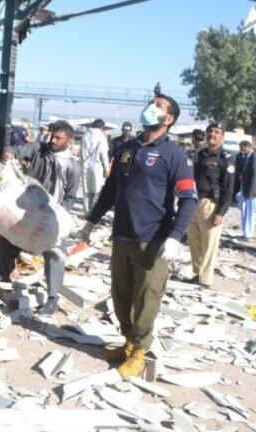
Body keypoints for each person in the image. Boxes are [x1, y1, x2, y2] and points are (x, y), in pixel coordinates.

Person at [78, 94, 197, 378]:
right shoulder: (127, 148)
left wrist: (175, 236)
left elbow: (189, 198)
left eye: (158, 106)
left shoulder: (174, 154)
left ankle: (140, 352)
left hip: (153, 239)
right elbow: (110, 190)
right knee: (121, 295)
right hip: (122, 235)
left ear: (169, 119)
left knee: (146, 298)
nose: (150, 108)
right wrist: (91, 222)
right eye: (151, 102)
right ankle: (128, 342)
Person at [0, 120, 80, 318]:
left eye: (58, 138)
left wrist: (57, 214)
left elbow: (70, 197)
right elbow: (15, 149)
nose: (53, 140)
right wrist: (9, 152)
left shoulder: (72, 167)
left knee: (55, 254)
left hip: (52, 216)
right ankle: (0, 283)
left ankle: (52, 299)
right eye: (52, 135)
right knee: (7, 241)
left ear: (69, 141)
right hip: (26, 209)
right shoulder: (38, 149)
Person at [187, 122, 235, 288]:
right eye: (210, 131)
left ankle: (205, 279)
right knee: (194, 241)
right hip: (194, 201)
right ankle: (197, 272)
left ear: (222, 136)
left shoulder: (226, 159)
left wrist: (221, 212)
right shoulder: (199, 155)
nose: (212, 134)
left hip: (211, 205)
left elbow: (229, 188)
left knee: (209, 244)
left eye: (216, 132)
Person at [80, 119, 109, 212]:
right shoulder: (101, 136)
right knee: (97, 190)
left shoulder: (85, 135)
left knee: (86, 190)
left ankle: (86, 211)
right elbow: (103, 153)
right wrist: (106, 168)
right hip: (96, 165)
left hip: (85, 165)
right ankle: (93, 211)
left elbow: (80, 151)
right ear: (102, 127)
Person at [236, 140, 256, 240]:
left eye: (243, 149)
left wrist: (251, 192)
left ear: (248, 147)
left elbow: (255, 177)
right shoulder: (248, 157)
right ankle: (245, 232)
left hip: (251, 191)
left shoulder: (255, 158)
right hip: (246, 189)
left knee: (249, 213)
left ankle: (248, 234)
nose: (241, 151)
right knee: (244, 211)